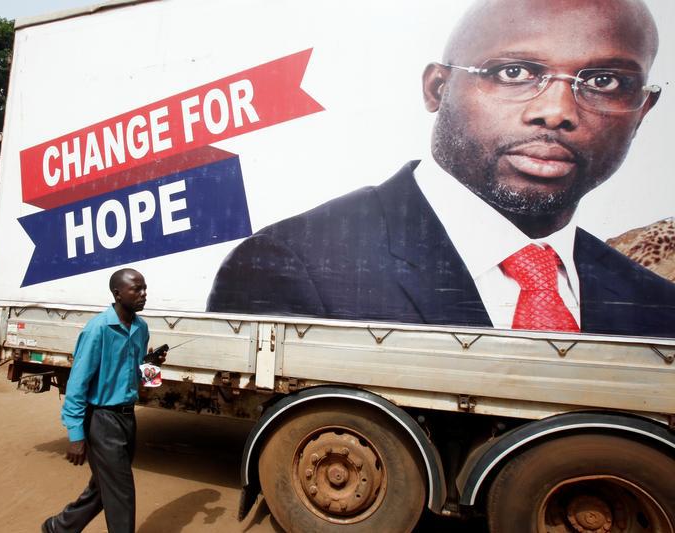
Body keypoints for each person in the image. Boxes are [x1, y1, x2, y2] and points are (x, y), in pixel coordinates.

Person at [207, 0, 675, 338]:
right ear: (437, 88)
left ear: (642, 111)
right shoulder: (290, 266)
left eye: (604, 81)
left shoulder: (657, 307)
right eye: (514, 72)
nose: (556, 111)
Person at [42, 268, 165, 533]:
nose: (144, 294)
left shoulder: (141, 328)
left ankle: (59, 528)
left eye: (145, 288)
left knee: (104, 487)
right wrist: (75, 434)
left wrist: (152, 367)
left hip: (127, 418)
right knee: (121, 492)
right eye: (137, 289)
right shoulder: (98, 329)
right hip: (102, 420)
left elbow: (137, 379)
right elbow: (77, 384)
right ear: (117, 294)